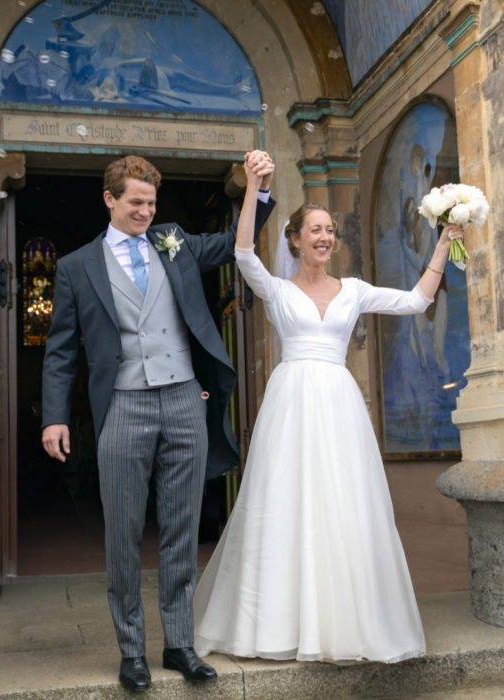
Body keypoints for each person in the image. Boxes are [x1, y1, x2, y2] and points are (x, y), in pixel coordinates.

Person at [193, 154, 465, 664]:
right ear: (294, 239)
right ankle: (277, 622)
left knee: (343, 502)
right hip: (291, 401)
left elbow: (415, 302)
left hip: (339, 404)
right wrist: (254, 186)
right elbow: (245, 250)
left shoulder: (354, 291)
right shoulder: (274, 290)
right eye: (315, 230)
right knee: (285, 498)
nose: (324, 237)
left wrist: (445, 242)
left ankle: (346, 623)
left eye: (330, 231)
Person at [41, 153, 275, 688]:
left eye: (151, 202)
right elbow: (59, 351)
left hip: (184, 401)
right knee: (122, 532)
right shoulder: (77, 267)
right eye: (136, 202)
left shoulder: (174, 240)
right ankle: (131, 651)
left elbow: (233, 244)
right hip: (122, 405)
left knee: (181, 528)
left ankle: (178, 644)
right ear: (110, 200)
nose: (146, 211)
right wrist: (55, 417)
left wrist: (257, 190)